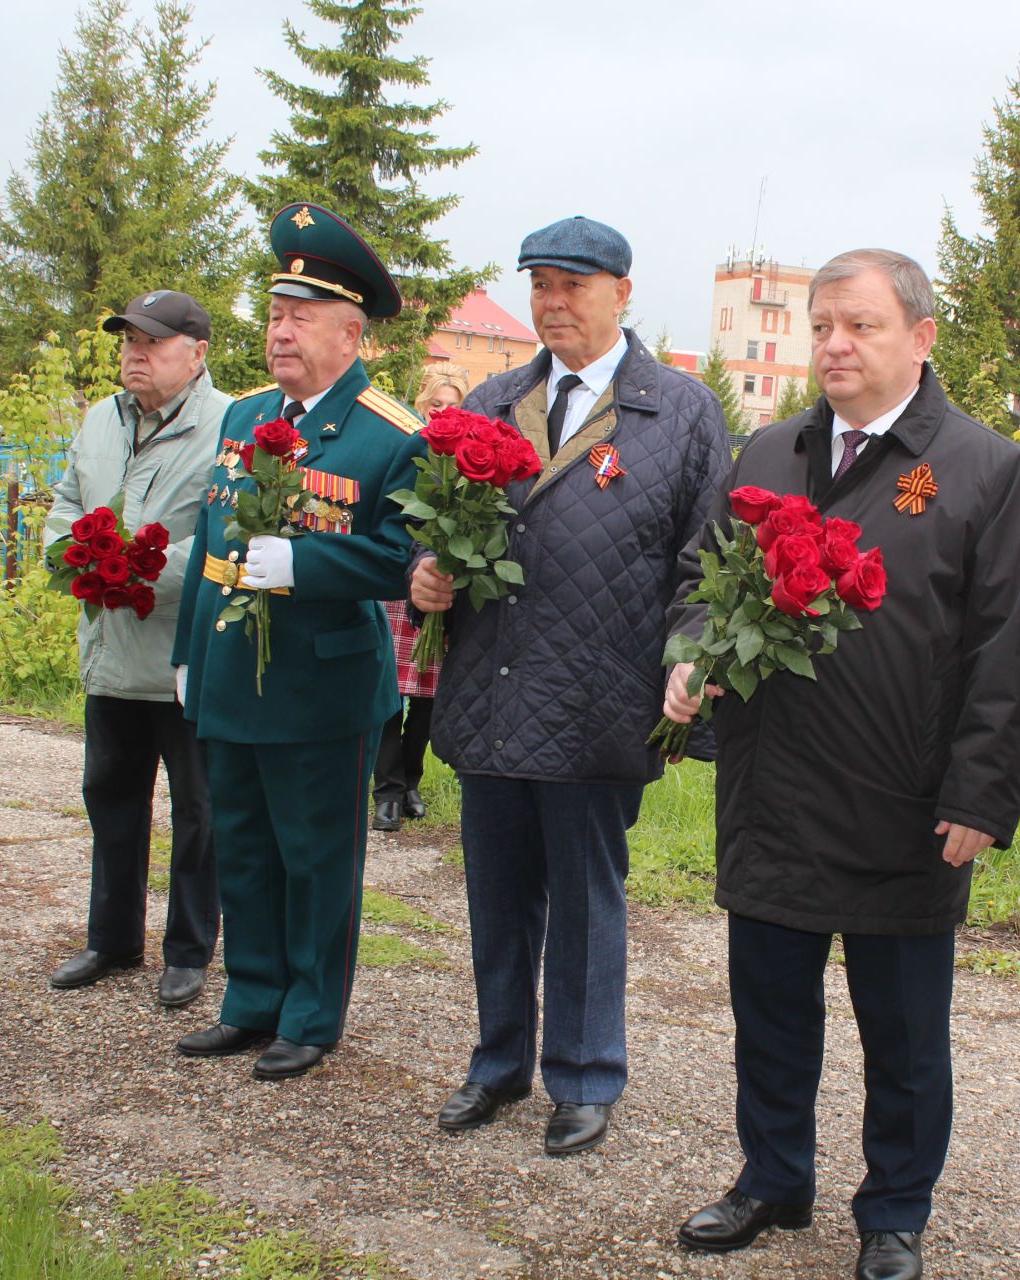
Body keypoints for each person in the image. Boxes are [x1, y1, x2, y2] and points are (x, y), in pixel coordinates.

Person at [662, 248, 1020, 1280]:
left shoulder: (983, 467)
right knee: (771, 1005)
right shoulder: (768, 453)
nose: (835, 344)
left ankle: (893, 1209)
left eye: (862, 326)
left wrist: (983, 788)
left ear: (920, 337)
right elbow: (702, 585)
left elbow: (1012, 649)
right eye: (822, 325)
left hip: (905, 801)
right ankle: (772, 1173)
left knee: (905, 1034)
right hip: (776, 788)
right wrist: (690, 654)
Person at [410, 216, 731, 1156]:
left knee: (586, 897)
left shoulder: (677, 410)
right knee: (497, 893)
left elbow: (704, 558)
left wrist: (692, 649)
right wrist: (426, 568)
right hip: (491, 690)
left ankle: (585, 1076)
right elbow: (436, 521)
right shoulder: (495, 397)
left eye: (573, 285)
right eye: (541, 285)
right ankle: (497, 1062)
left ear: (621, 293)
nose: (553, 302)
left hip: (599, 697)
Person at [169, 201, 429, 1081]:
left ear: (350, 333)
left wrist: (305, 564)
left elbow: (401, 555)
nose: (281, 332)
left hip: (321, 688)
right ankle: (250, 1001)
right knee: (238, 842)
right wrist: (186, 652)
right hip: (230, 673)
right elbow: (211, 545)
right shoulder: (243, 417)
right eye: (276, 315)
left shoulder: (389, 435)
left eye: (301, 318)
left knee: (315, 856)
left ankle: (311, 1017)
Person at [45, 290, 230, 1009]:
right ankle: (112, 938)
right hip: (111, 651)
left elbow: (224, 537)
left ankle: (188, 950)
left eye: (153, 341)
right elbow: (66, 501)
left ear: (197, 352)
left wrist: (144, 572)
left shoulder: (225, 427)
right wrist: (74, 555)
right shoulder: (100, 419)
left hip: (182, 656)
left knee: (199, 810)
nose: (136, 353)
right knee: (111, 797)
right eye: (128, 340)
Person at [369, 368, 466, 833]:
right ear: (424, 404)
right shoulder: (403, 446)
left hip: (438, 594)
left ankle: (410, 781)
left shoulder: (467, 461)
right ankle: (384, 791)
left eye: (453, 404)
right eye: (437, 403)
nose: (443, 411)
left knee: (427, 700)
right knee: (390, 695)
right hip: (398, 589)